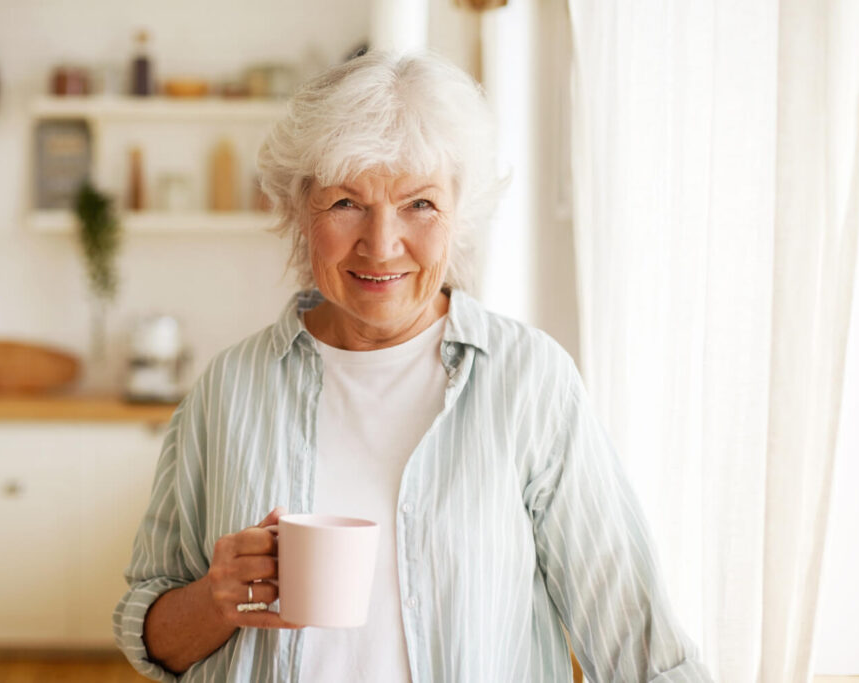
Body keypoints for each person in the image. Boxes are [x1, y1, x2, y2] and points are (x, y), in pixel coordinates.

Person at [113, 51, 712, 682]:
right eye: (346, 202)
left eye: (419, 204)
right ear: (297, 212)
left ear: (462, 212)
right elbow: (150, 631)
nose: (382, 242)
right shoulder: (229, 388)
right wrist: (213, 601)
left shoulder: (529, 380)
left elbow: (636, 641)